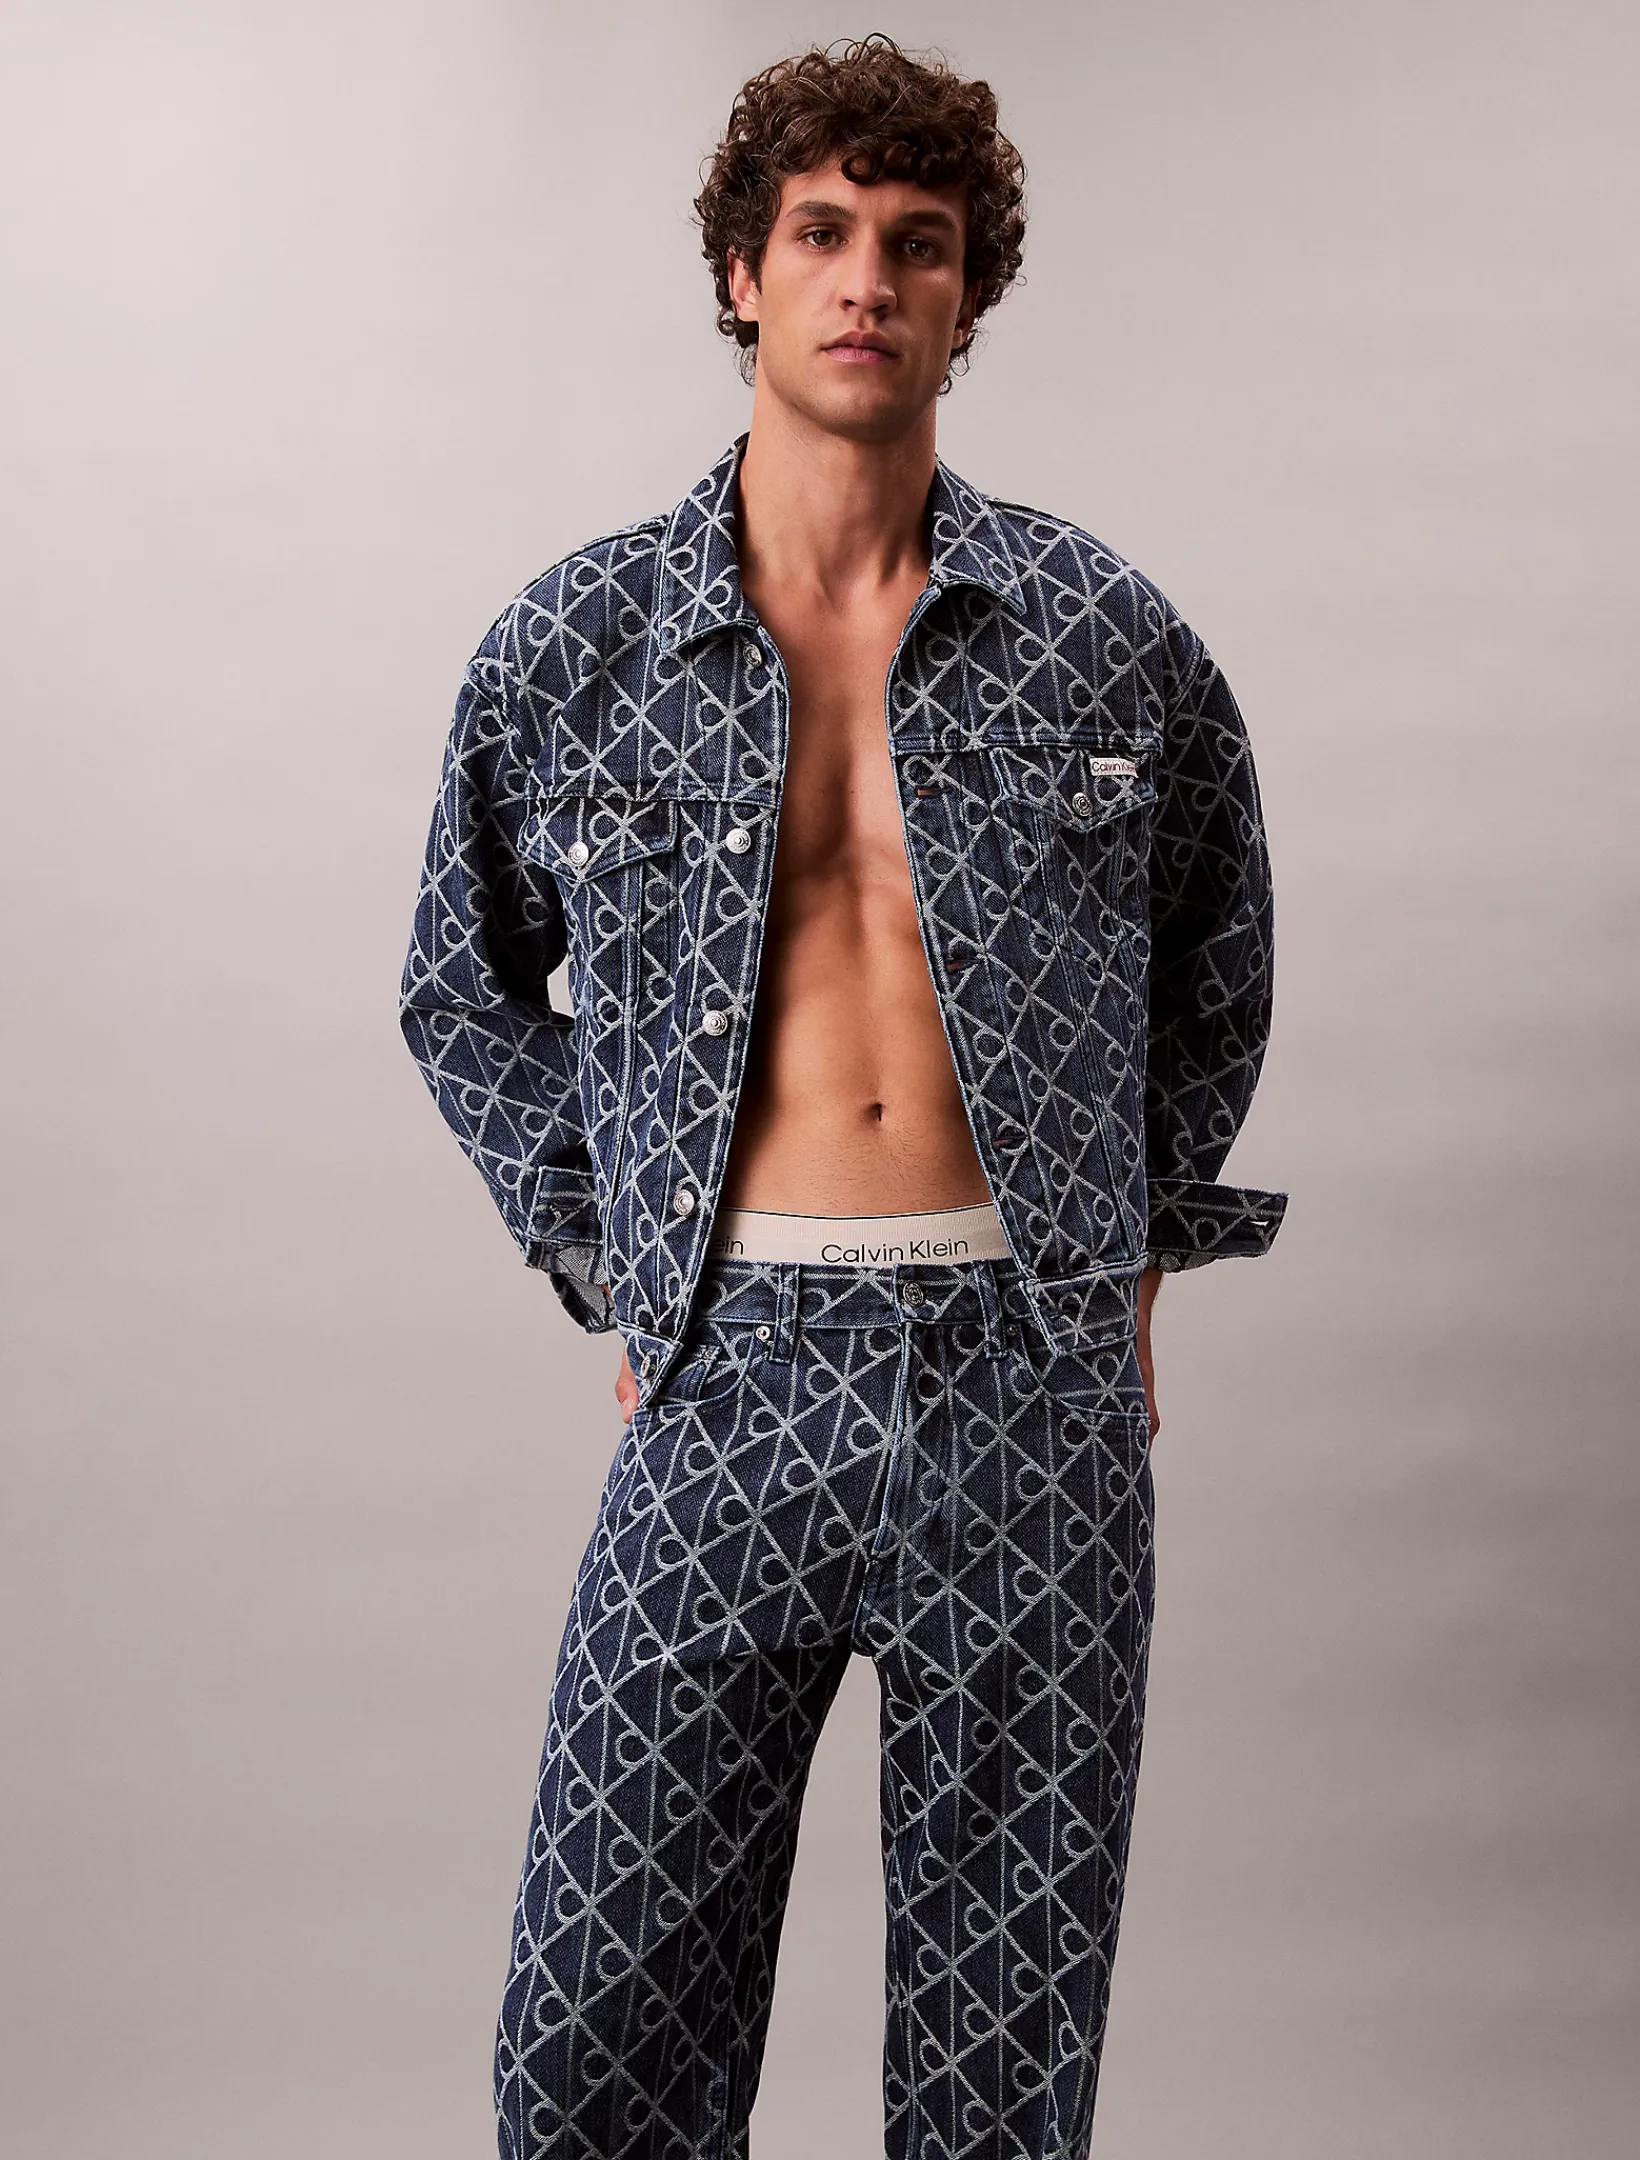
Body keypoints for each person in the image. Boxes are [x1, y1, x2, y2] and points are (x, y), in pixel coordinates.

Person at [399, 32, 1286, 2160]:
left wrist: (1126, 1261)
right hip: (728, 1373)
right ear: (742, 273)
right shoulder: (576, 646)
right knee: (596, 2049)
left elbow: (1217, 958)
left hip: (1027, 1391)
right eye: (820, 234)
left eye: (919, 242)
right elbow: (459, 987)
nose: (867, 280)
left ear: (969, 297)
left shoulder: (1101, 635)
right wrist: (615, 1245)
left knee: (997, 2081)